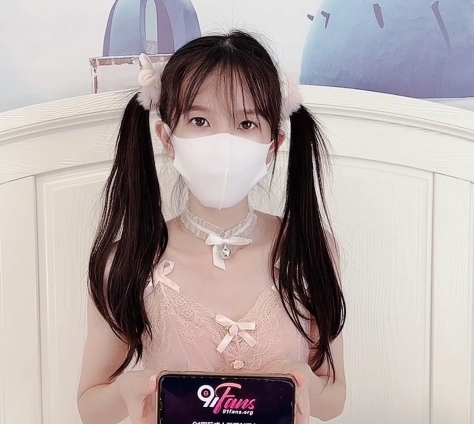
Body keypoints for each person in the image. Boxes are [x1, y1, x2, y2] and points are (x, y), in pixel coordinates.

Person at [77, 29, 346, 424]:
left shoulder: (310, 250)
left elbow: (335, 396)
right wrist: (124, 391)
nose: (224, 142)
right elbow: (90, 404)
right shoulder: (126, 260)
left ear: (274, 144)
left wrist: (305, 386)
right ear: (167, 138)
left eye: (247, 123)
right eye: (200, 120)